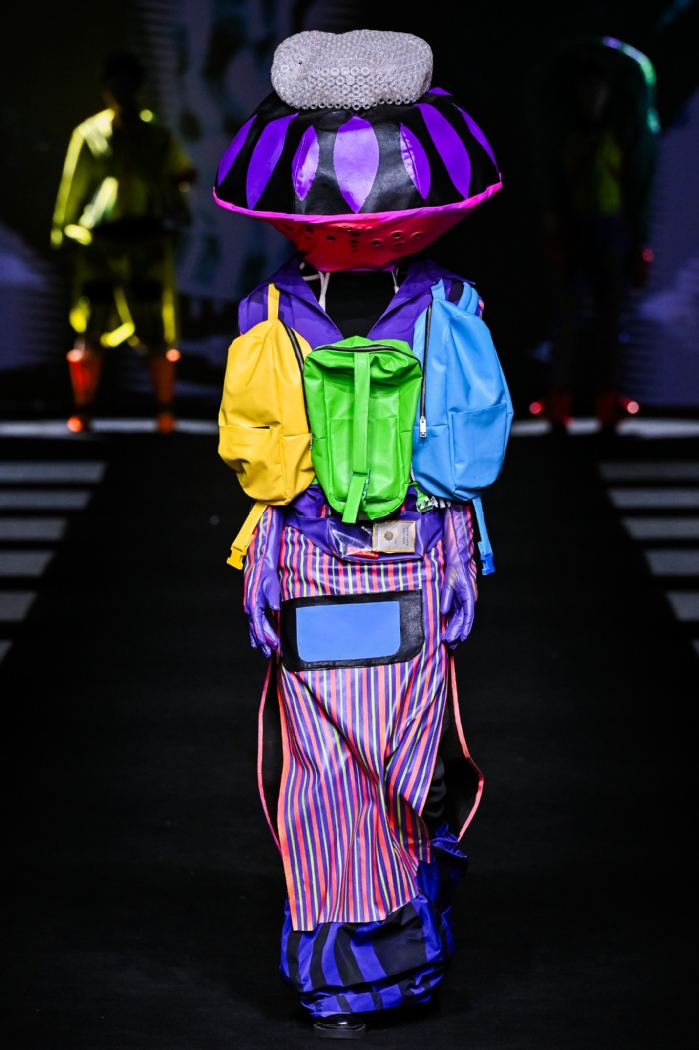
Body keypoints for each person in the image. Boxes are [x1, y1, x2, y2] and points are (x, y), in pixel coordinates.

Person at [215, 29, 505, 1038]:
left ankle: (368, 965)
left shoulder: (427, 307)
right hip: (348, 557)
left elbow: (270, 452)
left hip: (375, 556)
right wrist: (262, 555)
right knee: (340, 767)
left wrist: (459, 546)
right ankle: (364, 968)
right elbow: (273, 454)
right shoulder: (306, 311)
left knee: (387, 761)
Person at [51, 52, 195, 432]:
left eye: (127, 84)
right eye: (115, 84)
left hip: (147, 240)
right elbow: (74, 185)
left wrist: (176, 208)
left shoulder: (158, 136)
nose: (121, 91)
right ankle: (83, 410)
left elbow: (181, 176)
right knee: (91, 324)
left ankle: (164, 411)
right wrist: (63, 232)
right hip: (100, 242)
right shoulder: (89, 134)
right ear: (106, 89)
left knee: (156, 327)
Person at [536, 40, 658, 429]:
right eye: (585, 89)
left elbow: (637, 187)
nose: (591, 97)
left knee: (611, 319)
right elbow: (553, 187)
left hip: (610, 231)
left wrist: (638, 241)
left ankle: (609, 401)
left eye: (598, 89)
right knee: (568, 318)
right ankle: (559, 401)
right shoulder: (564, 137)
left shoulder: (620, 136)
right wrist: (556, 233)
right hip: (574, 230)